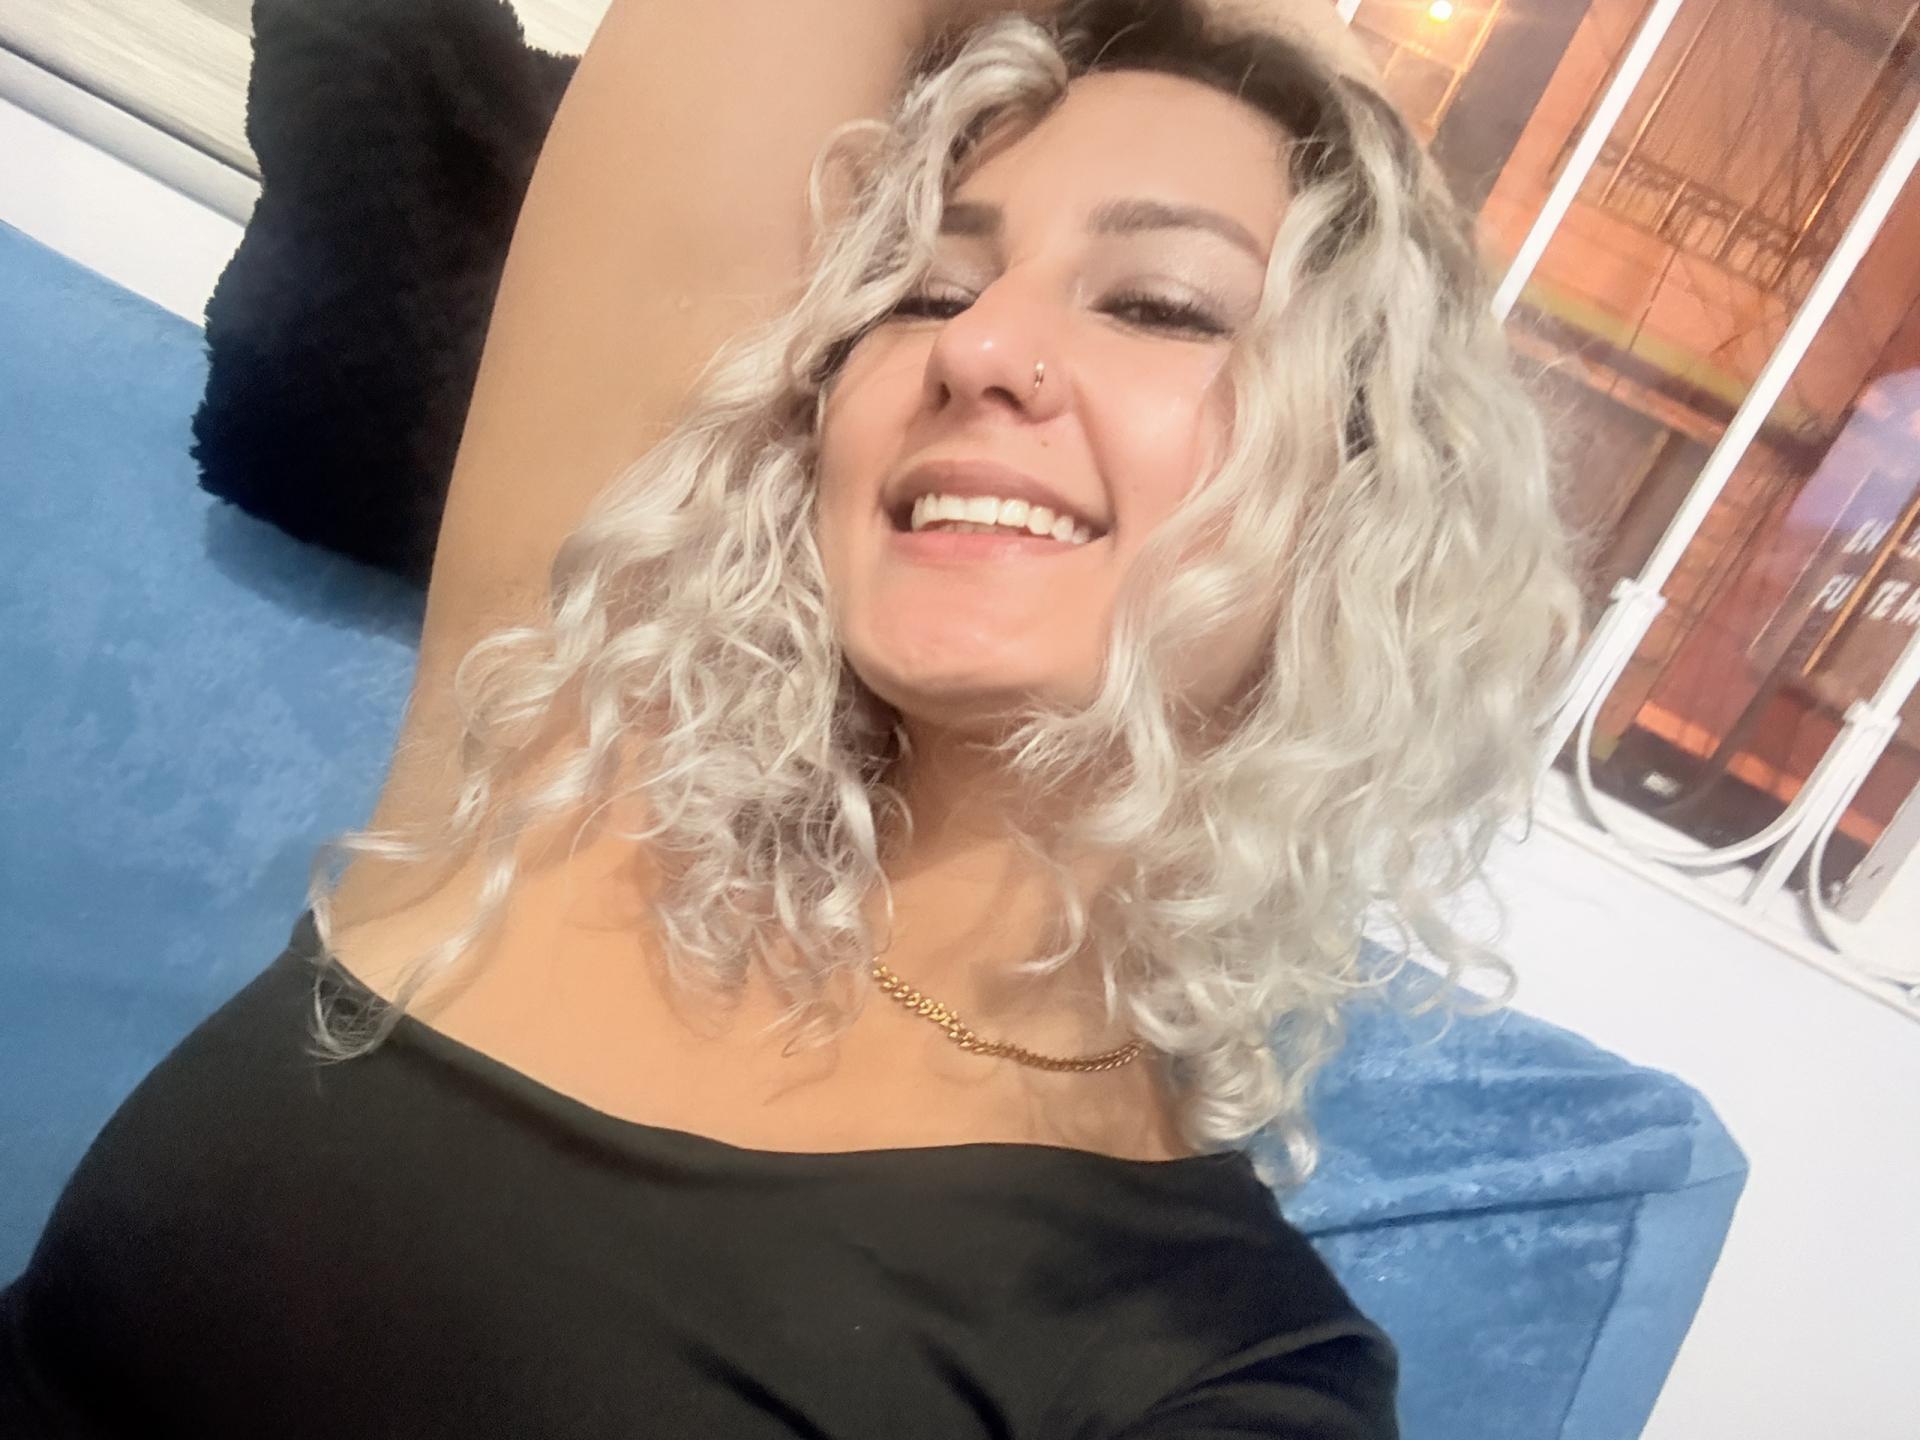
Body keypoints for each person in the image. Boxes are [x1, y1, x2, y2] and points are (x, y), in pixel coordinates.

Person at [1, 0, 1587, 1435]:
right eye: (928, 286)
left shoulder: (1210, 1364)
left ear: (1366, 494)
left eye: (1160, 304)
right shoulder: (575, 767)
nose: (974, 345)